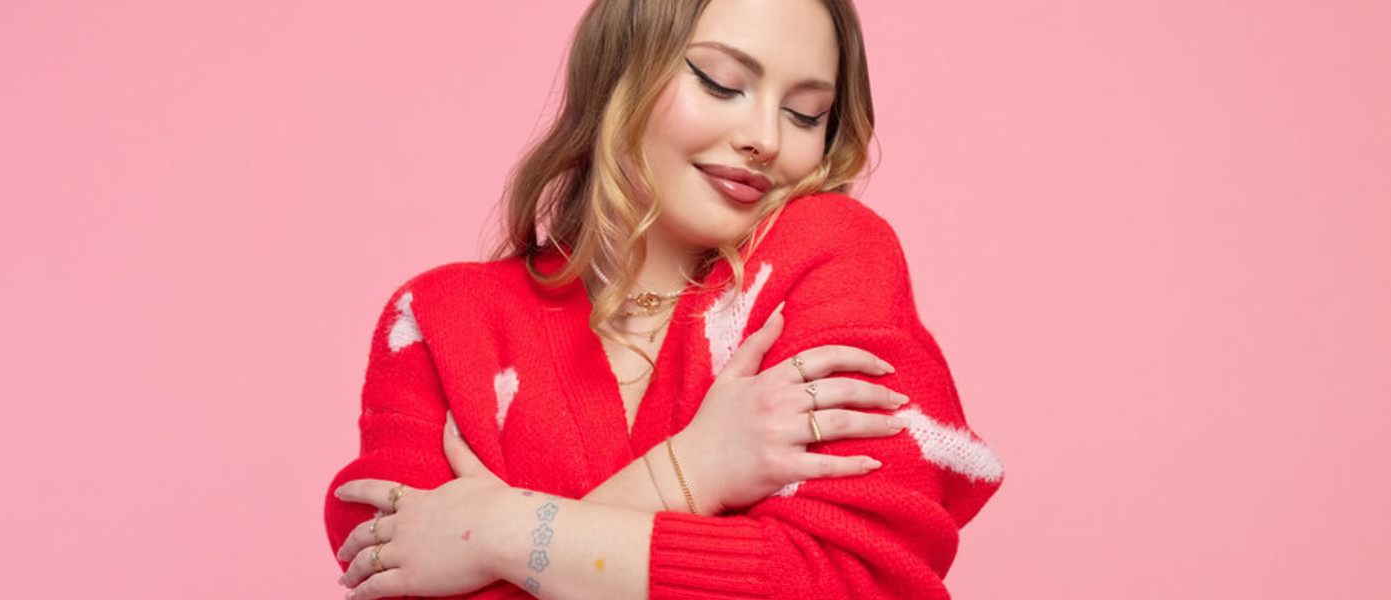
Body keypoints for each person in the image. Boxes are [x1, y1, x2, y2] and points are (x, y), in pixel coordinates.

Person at [323, 0, 1003, 597]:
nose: (765, 138)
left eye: (805, 113)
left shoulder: (832, 263)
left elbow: (859, 584)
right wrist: (687, 474)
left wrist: (498, 531)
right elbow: (390, 575)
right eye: (722, 82)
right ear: (620, 70)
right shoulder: (440, 324)